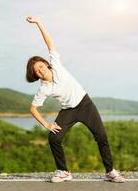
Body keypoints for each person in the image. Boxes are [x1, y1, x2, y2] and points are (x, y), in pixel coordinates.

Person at [26, 16, 125, 183]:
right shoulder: (44, 88)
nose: (41, 70)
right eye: (37, 71)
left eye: (41, 66)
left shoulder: (56, 64)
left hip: (85, 104)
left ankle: (110, 172)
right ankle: (64, 171)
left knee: (101, 136)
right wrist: (46, 124)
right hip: (69, 111)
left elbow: (49, 43)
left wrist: (38, 23)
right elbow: (33, 108)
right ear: (35, 75)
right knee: (54, 138)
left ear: (46, 64)